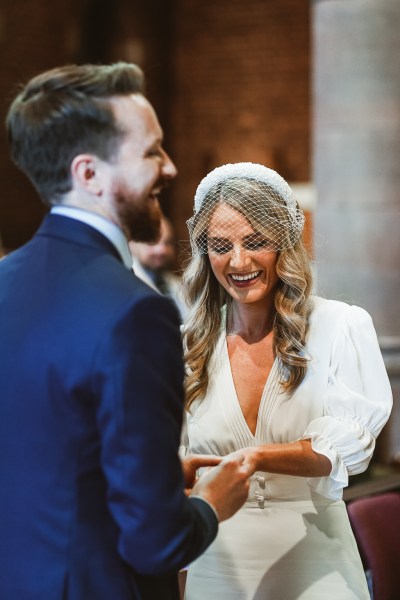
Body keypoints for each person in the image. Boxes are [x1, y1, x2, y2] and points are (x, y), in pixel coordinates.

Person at [0, 64, 253, 600]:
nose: (170, 166)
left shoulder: (3, 281)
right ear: (89, 174)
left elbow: (45, 451)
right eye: (151, 152)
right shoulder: (136, 312)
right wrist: (211, 502)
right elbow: (154, 543)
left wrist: (153, 476)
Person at [180, 162, 393, 599]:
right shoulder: (186, 344)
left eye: (255, 242)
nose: (239, 261)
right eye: (221, 246)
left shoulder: (340, 326)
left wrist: (255, 457)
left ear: (285, 243)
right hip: (216, 566)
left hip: (314, 558)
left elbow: (343, 449)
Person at [129, 214, 188, 320]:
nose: (162, 250)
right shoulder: (127, 283)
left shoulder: (176, 284)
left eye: (168, 242)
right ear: (132, 244)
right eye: (152, 242)